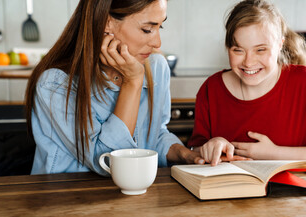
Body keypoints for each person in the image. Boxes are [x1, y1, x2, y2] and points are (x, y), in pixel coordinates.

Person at [25, 0, 202, 176]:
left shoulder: (156, 67)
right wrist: (132, 83)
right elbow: (108, 162)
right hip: (65, 198)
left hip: (132, 198)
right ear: (107, 22)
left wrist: (186, 154)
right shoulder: (55, 84)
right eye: (147, 29)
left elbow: (154, 135)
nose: (157, 42)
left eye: (160, 27)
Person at [188, 0, 306, 167]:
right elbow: (196, 153)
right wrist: (211, 146)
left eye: (260, 50)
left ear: (279, 45)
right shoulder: (211, 89)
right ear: (228, 48)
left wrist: (274, 153)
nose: (248, 62)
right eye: (238, 50)